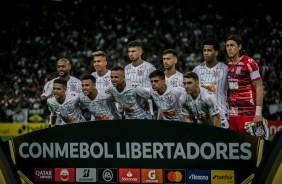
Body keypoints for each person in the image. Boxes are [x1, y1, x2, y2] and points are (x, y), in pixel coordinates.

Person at [226, 35, 265, 134]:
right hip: (233, 112)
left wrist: (258, 113)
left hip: (248, 111)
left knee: (250, 145)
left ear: (239, 47)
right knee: (235, 144)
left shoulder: (249, 62)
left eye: (232, 45)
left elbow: (259, 88)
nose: (229, 48)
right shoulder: (229, 63)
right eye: (227, 46)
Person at [193, 38, 229, 129]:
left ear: (216, 52)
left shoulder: (225, 69)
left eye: (209, 50)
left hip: (221, 116)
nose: (205, 53)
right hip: (203, 117)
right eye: (204, 50)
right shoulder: (197, 70)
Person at [41, 58, 83, 124]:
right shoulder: (50, 83)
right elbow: (42, 100)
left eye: (63, 66)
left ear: (69, 67)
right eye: (58, 67)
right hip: (58, 121)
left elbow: (83, 101)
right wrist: (49, 96)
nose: (60, 69)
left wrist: (79, 102)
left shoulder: (78, 83)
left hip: (75, 119)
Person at [125, 40, 156, 119]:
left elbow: (154, 89)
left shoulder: (150, 67)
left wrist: (134, 87)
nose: (131, 54)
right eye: (129, 51)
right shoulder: (126, 68)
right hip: (129, 112)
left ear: (140, 52)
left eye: (133, 51)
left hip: (145, 110)